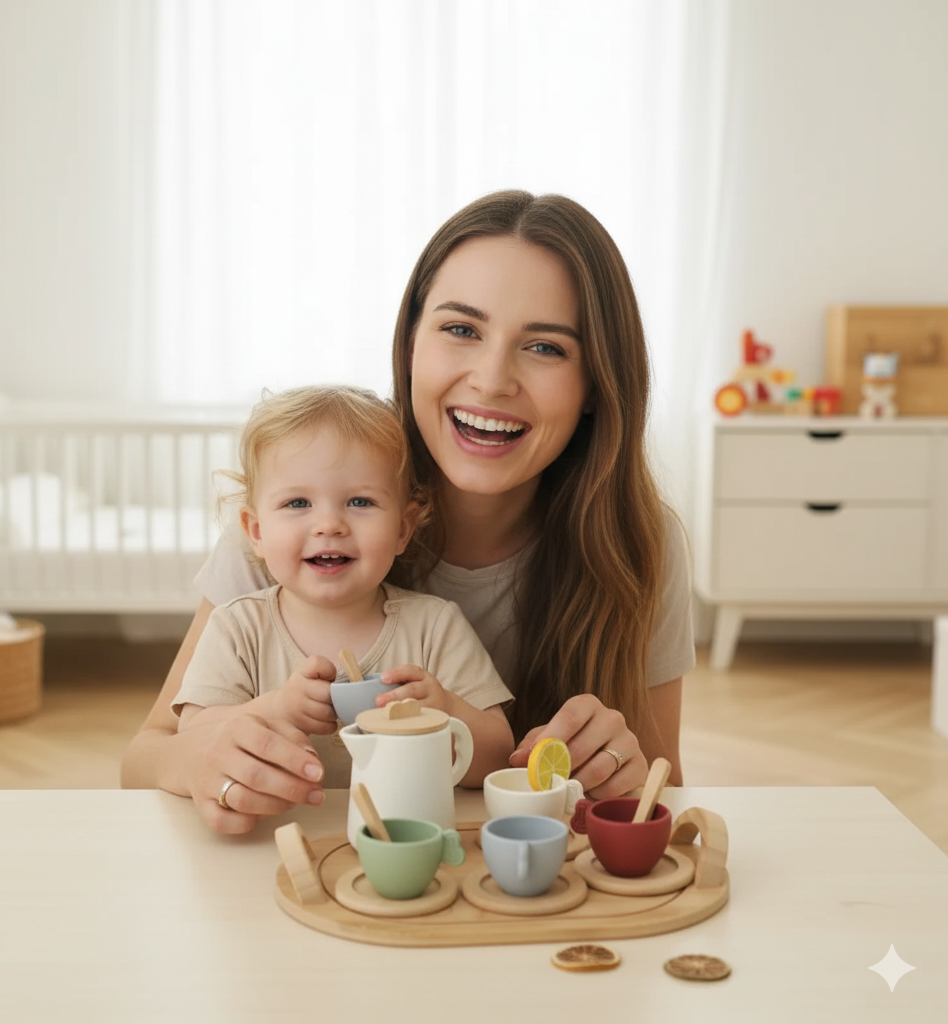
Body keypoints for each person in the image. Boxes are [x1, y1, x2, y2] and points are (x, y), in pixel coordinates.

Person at [121, 189, 695, 834]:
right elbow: (146, 754)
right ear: (412, 343)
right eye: (460, 329)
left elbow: (659, 785)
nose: (492, 378)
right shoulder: (293, 519)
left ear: (597, 384)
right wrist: (202, 759)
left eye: (545, 347)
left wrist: (620, 766)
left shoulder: (638, 543)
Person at [171, 384, 514, 790]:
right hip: (274, 839)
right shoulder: (237, 627)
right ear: (256, 532)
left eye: (360, 502)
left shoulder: (435, 626)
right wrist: (275, 708)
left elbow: (498, 759)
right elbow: (190, 738)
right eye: (298, 503)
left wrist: (444, 710)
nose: (329, 524)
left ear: (403, 529)